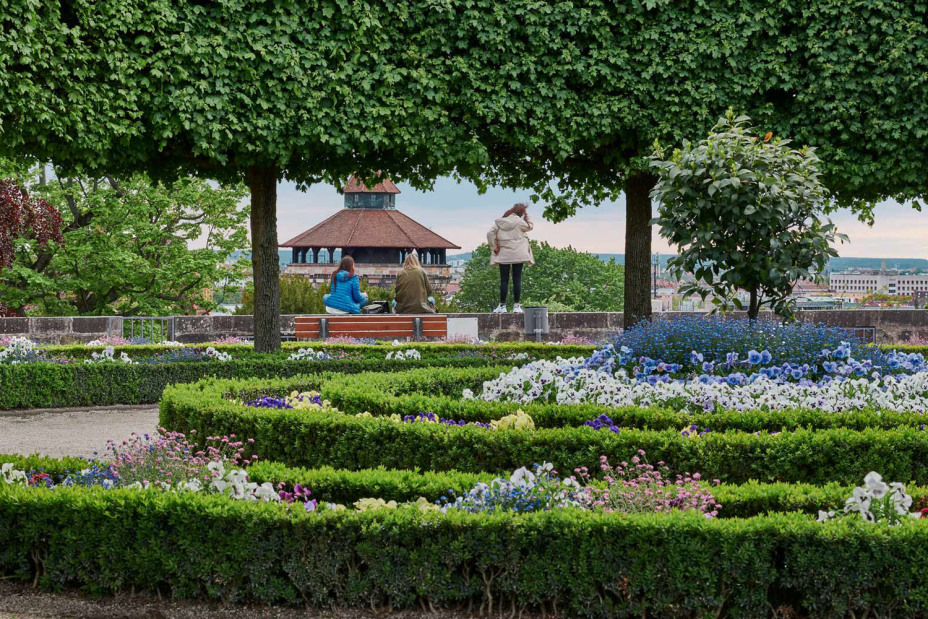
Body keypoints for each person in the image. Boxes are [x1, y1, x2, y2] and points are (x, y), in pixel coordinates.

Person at [487, 202, 534, 314]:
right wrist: (527, 215)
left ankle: (502, 306)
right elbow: (530, 226)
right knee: (517, 279)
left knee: (504, 280)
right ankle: (516, 306)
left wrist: (494, 247)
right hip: (519, 253)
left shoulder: (499, 222)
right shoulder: (520, 222)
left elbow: (490, 233)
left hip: (504, 253)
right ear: (521, 213)